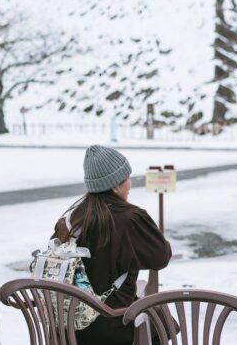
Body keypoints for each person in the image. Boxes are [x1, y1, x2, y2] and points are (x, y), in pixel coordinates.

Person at [52, 145, 172, 345]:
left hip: (67, 329)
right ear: (115, 185)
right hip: (112, 325)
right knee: (161, 322)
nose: (130, 184)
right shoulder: (131, 219)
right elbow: (161, 258)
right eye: (127, 178)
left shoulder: (70, 220)